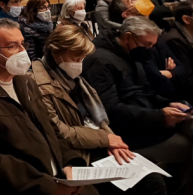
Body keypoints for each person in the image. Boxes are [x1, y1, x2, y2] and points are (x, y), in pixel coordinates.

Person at [0, 19, 86, 195]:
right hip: (31, 187)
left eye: (23, 43)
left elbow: (50, 128)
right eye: (12, 46)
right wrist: (49, 187)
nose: (23, 51)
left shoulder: (24, 81)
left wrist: (69, 161)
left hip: (59, 174)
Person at [32, 25, 168, 195]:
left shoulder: (72, 78)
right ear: (56, 53)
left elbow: (97, 116)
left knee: (151, 175)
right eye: (76, 58)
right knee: (150, 183)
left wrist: (113, 141)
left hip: (92, 141)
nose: (80, 64)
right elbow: (58, 131)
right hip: (75, 152)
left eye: (82, 58)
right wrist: (105, 139)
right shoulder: (39, 84)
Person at [83, 17, 193, 169]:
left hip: (147, 119)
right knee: (187, 148)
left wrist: (167, 104)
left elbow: (146, 91)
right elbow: (110, 110)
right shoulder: (99, 60)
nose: (149, 50)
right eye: (147, 45)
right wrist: (160, 117)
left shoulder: (132, 53)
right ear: (128, 36)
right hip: (130, 132)